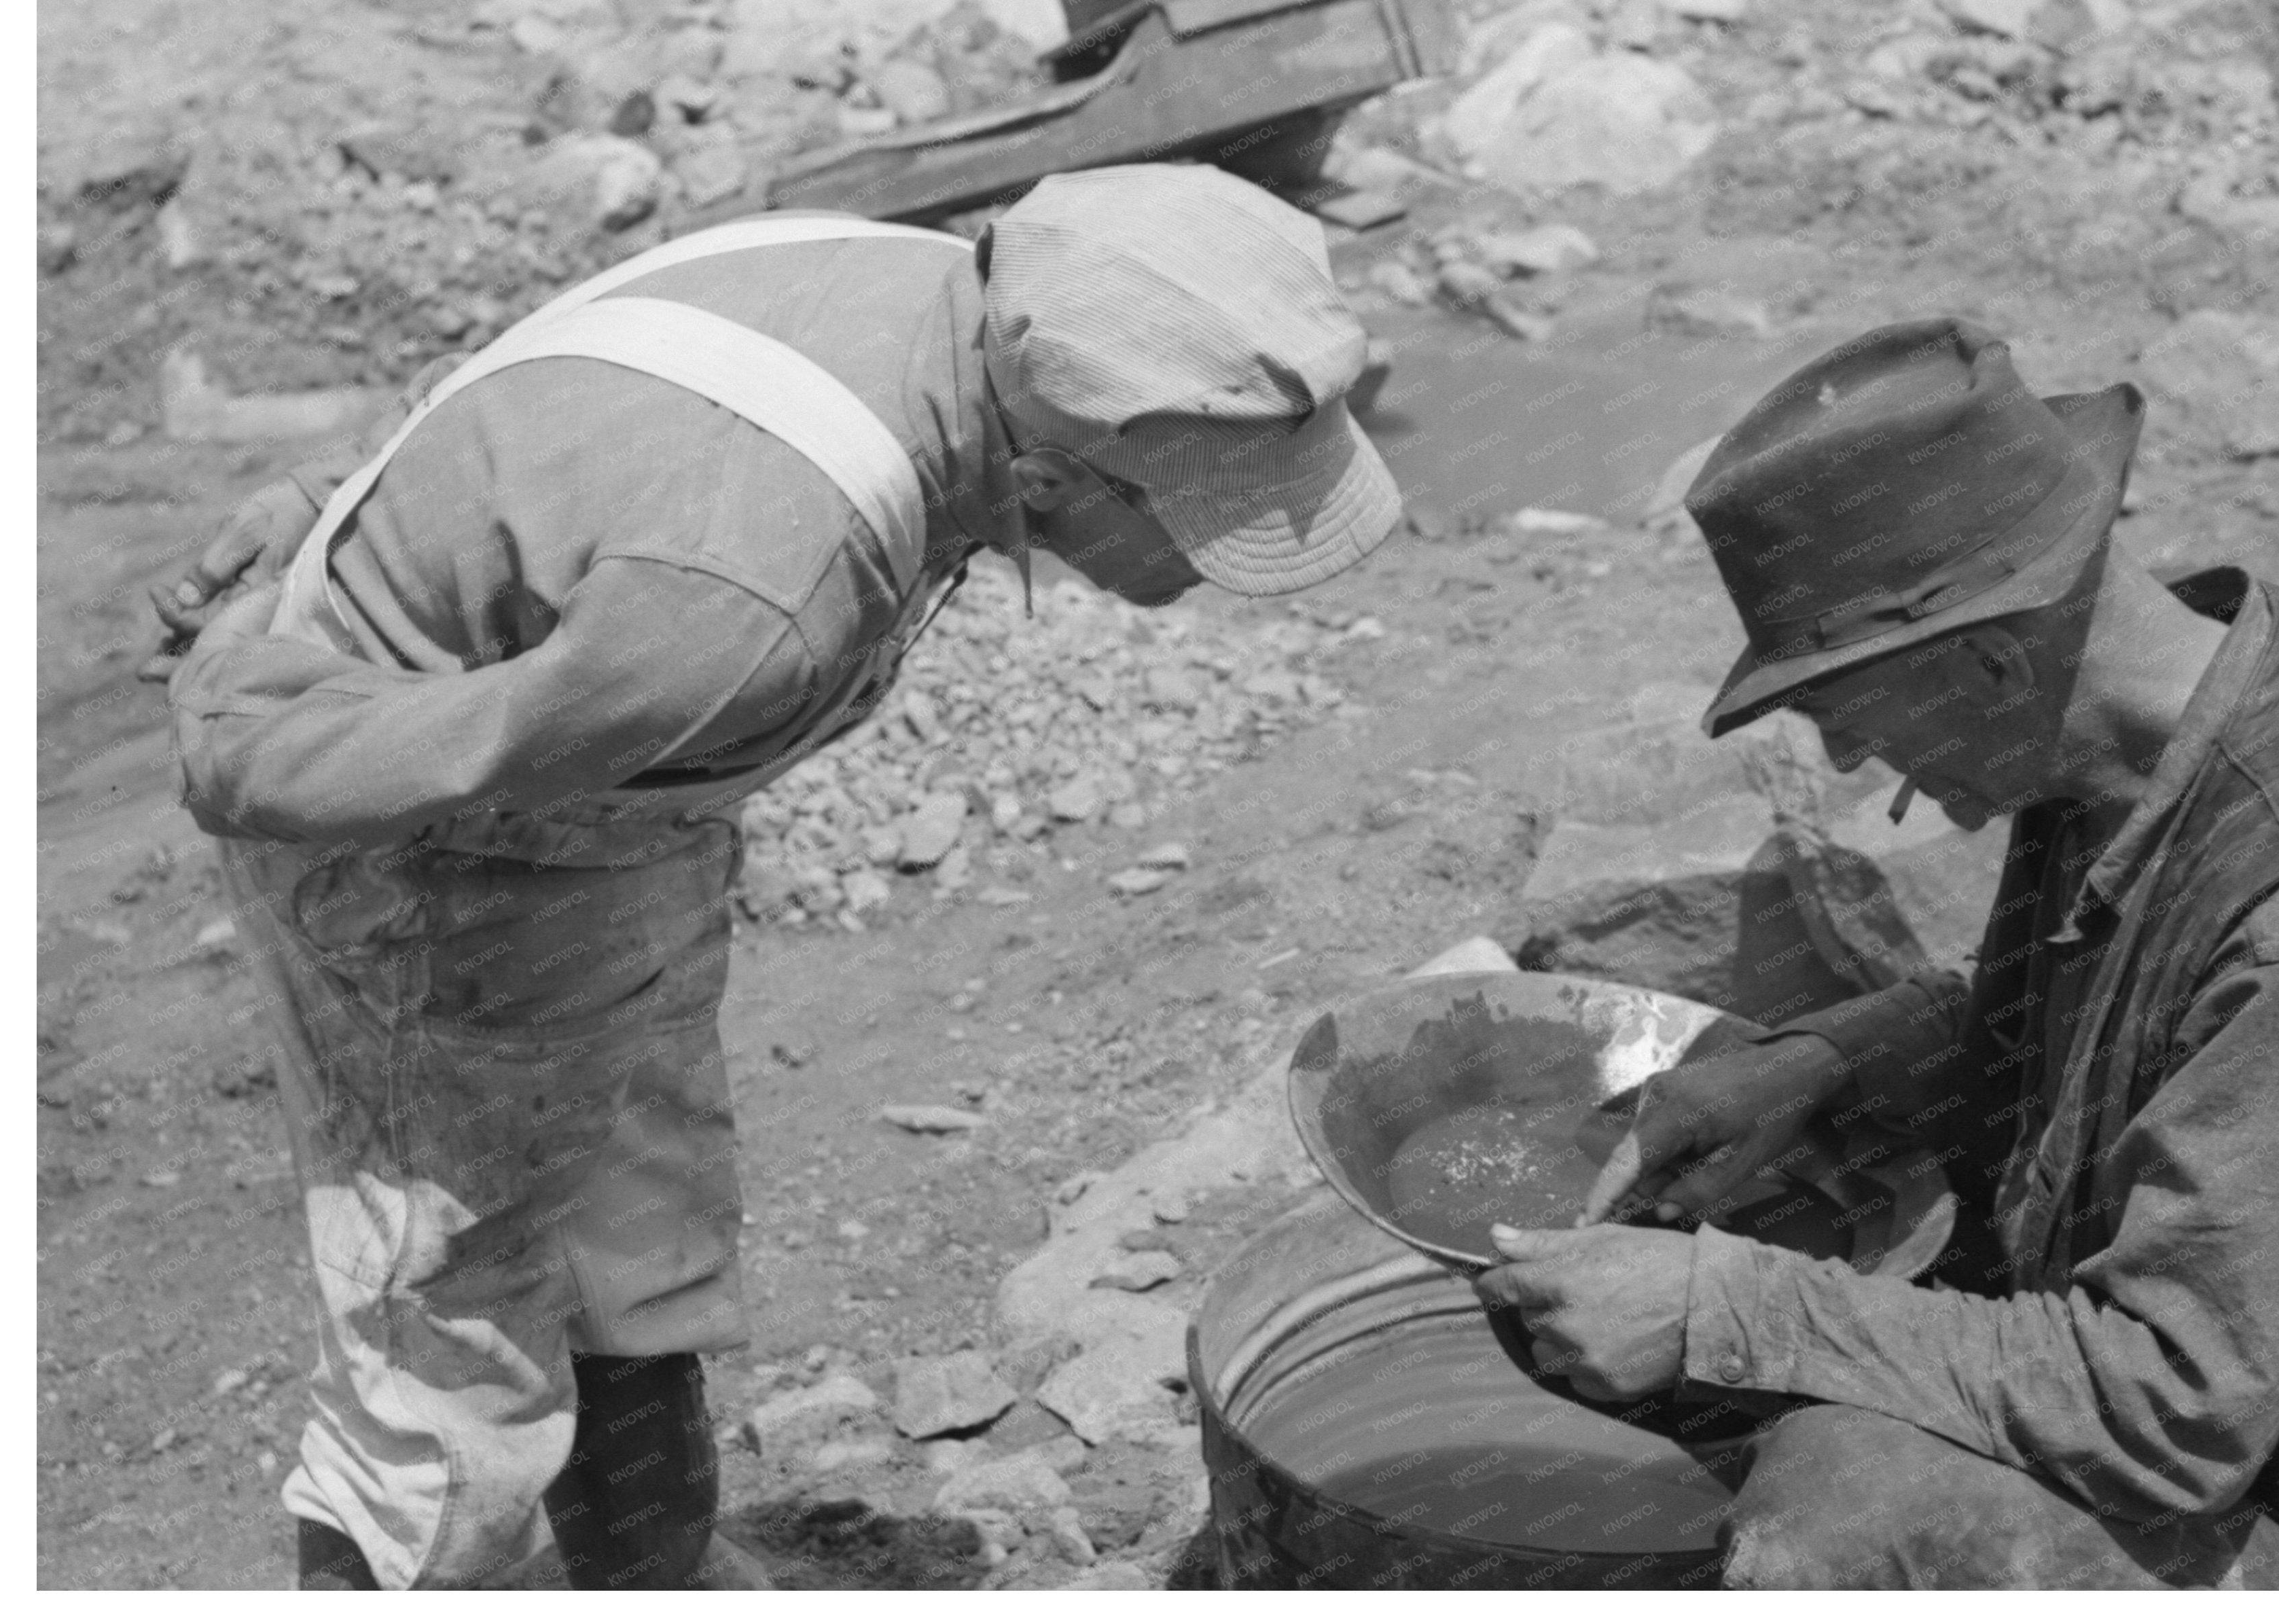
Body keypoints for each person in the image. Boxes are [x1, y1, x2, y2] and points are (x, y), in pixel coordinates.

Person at [149, 164, 1401, 1589]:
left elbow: (547, 399)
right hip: (422, 847)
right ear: (1050, 478)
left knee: (637, 1228)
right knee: (446, 1335)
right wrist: (239, 680)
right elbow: (310, 760)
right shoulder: (759, 603)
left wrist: (333, 492)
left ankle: (650, 1566)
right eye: (1207, 526)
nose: (1209, 570)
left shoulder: (936, 291)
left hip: (606, 811)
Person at [1475, 318, 2279, 1590]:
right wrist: (1820, 1067)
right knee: (1649, 1282)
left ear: (1990, 659)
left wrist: (1722, 1308)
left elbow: (2174, 1403)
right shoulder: (2144, 721)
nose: (1843, 758)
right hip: (2183, 1376)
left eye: (1838, 710)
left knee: (1848, 1503)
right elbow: (2130, 1018)